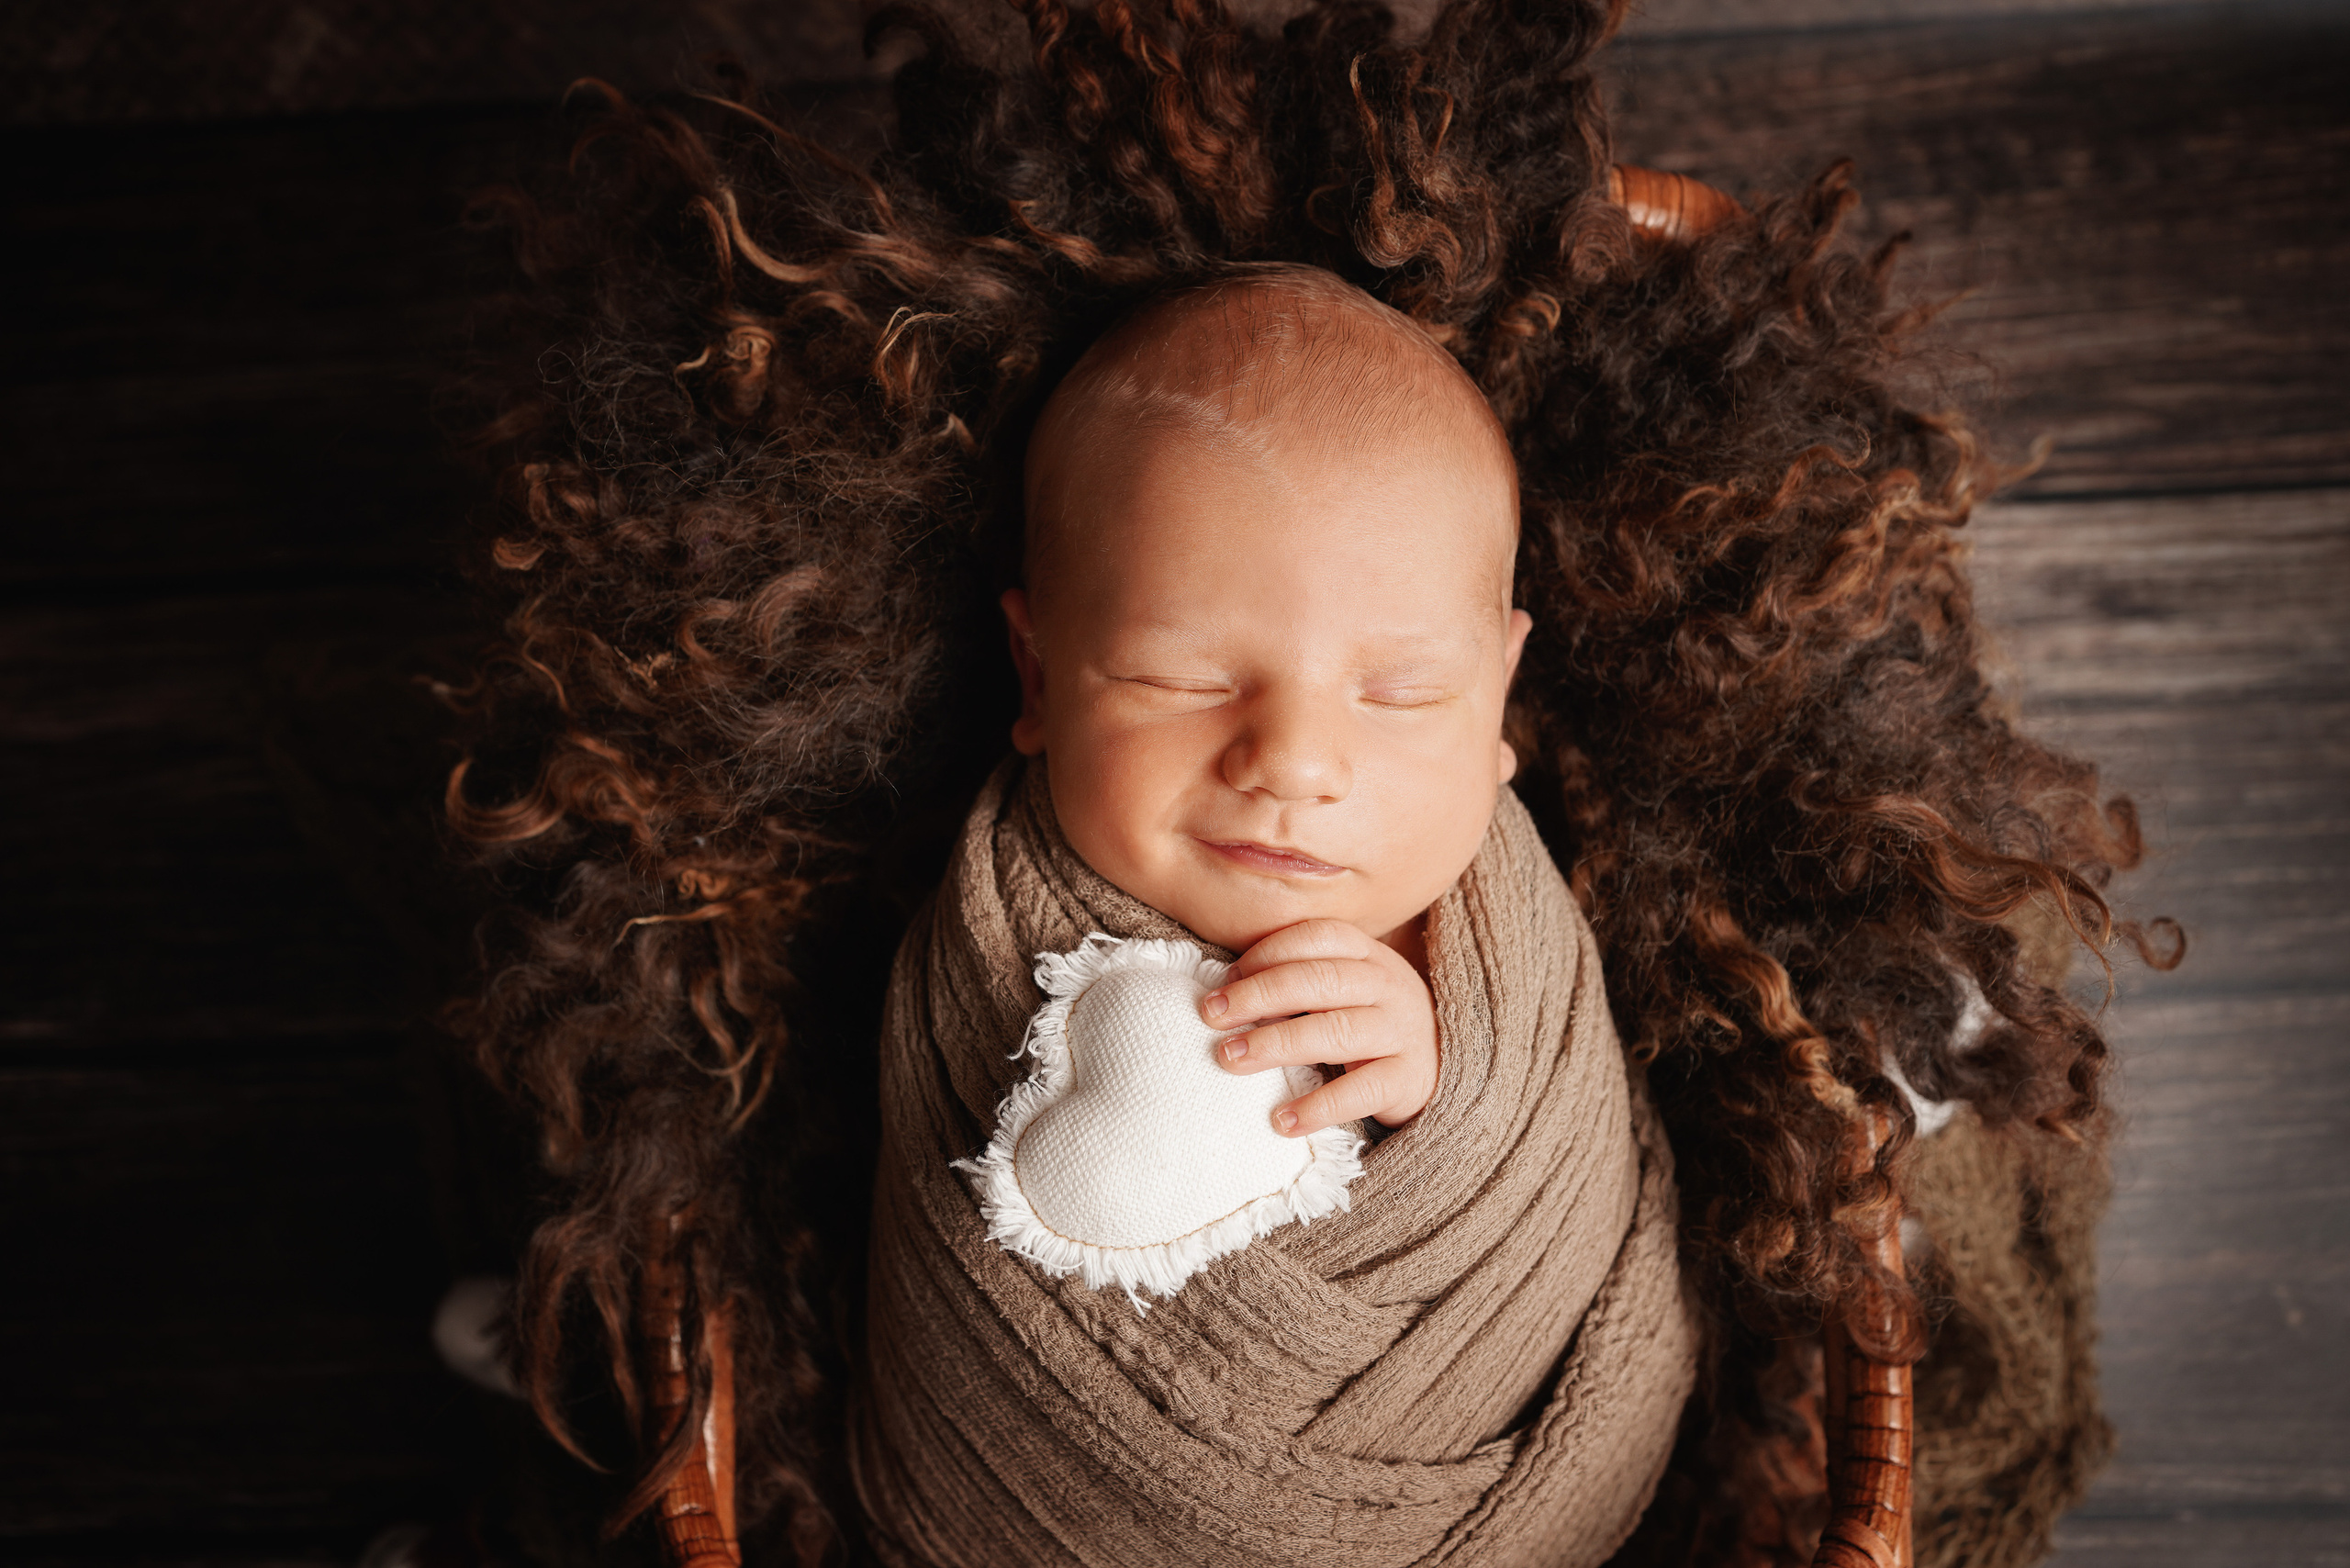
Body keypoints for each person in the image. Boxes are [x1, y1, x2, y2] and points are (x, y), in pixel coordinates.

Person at [448, 2, 2174, 1563]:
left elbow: (1595, 1163)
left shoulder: (1510, 923)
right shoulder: (974, 917)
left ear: (1500, 704)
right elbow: (893, 1170)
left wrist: (1455, 1080)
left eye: (1402, 690)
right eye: (1187, 678)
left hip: (1506, 1490)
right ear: (1038, 679)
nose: (1295, 761)